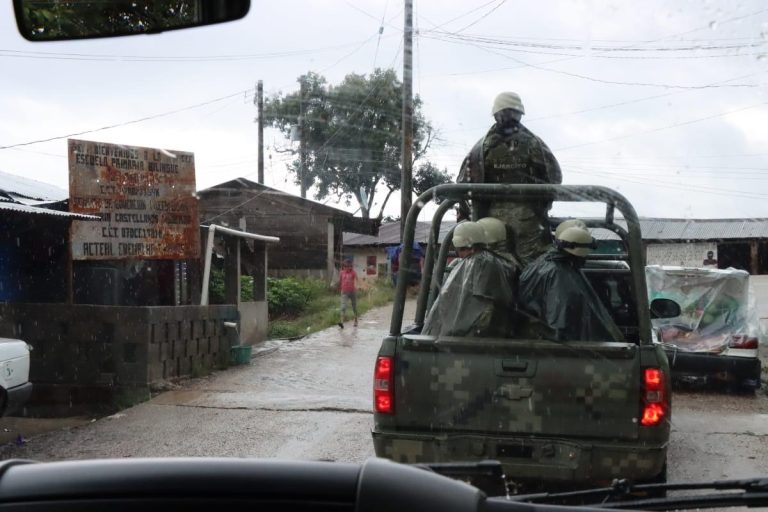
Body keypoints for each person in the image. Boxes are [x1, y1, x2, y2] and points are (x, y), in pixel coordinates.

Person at [457, 91, 562, 266]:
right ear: (519, 114)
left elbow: (462, 184)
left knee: (494, 267)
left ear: (496, 114)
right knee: (531, 269)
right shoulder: (534, 144)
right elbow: (555, 178)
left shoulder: (482, 148)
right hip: (528, 221)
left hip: (493, 224)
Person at [519, 222, 624, 342]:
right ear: (577, 254)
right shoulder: (558, 274)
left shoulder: (545, 263)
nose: (585, 259)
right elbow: (558, 322)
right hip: (564, 346)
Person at [423, 221, 515, 337]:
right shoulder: (501, 262)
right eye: (459, 249)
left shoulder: (482, 263)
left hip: (468, 336)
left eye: (462, 249)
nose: (461, 254)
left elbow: (481, 311)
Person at [338, 259, 358, 328]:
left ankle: (356, 320)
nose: (347, 268)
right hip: (344, 292)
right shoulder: (341, 272)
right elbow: (340, 281)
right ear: (344, 266)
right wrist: (339, 288)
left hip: (352, 292)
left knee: (354, 307)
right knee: (343, 307)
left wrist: (357, 287)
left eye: (349, 266)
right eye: (346, 266)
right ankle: (341, 322)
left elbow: (357, 280)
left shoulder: (353, 272)